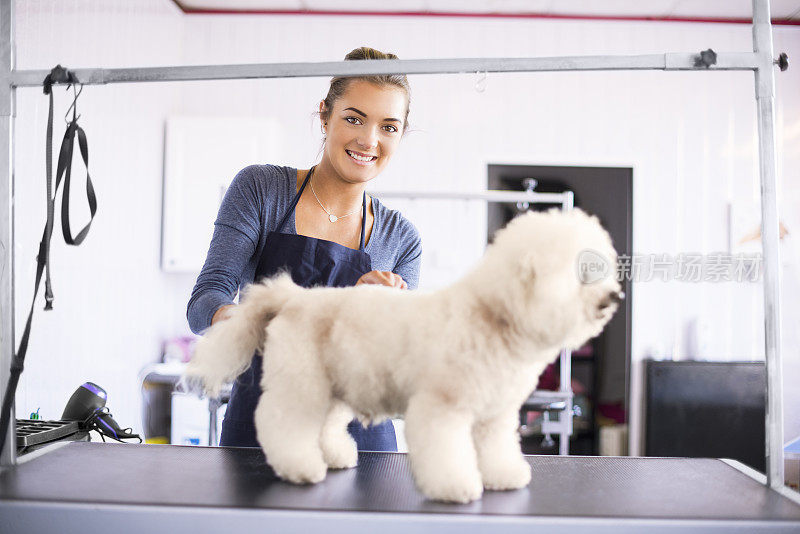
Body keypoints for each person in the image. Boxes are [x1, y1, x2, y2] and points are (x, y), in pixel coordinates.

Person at [187, 47, 422, 452]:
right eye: (354, 118)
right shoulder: (262, 191)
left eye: (389, 126)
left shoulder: (401, 238)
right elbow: (203, 302)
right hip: (263, 430)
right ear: (325, 116)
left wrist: (387, 321)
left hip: (361, 443)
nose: (369, 140)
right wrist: (257, 320)